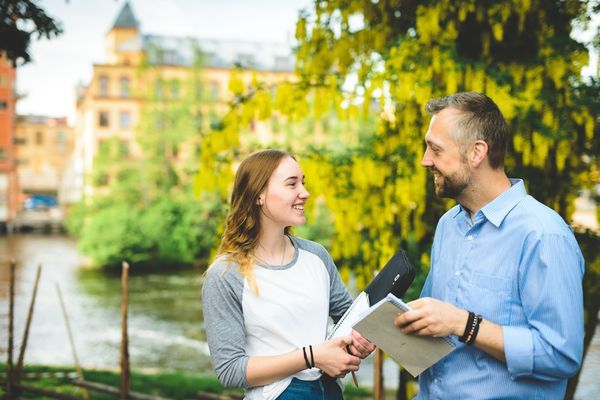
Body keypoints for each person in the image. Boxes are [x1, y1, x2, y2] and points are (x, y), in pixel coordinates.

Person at [394, 92, 584, 399]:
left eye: (435, 149)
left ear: (477, 152)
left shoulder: (543, 235)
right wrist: (389, 329)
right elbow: (434, 330)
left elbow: (561, 355)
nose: (425, 160)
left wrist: (464, 324)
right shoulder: (448, 226)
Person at [202, 149, 375, 400]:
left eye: (303, 183)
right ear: (259, 194)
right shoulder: (225, 275)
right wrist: (311, 356)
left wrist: (362, 339)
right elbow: (230, 371)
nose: (304, 193)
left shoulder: (316, 256)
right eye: (291, 184)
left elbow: (351, 319)